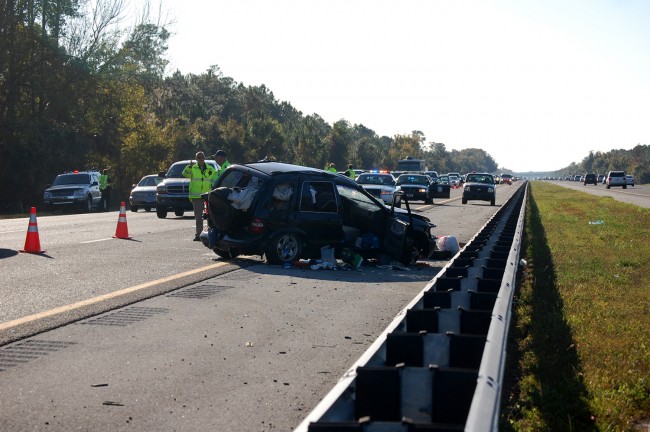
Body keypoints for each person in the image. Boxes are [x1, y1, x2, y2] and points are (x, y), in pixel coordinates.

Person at [183, 151, 220, 241]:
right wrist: (189, 167)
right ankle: (198, 235)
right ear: (196, 159)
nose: (200, 159)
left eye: (201, 157)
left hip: (207, 196)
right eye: (198, 157)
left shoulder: (210, 169)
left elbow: (215, 181)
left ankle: (209, 234)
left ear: (204, 158)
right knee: (198, 218)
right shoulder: (192, 168)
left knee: (210, 216)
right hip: (196, 196)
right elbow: (185, 174)